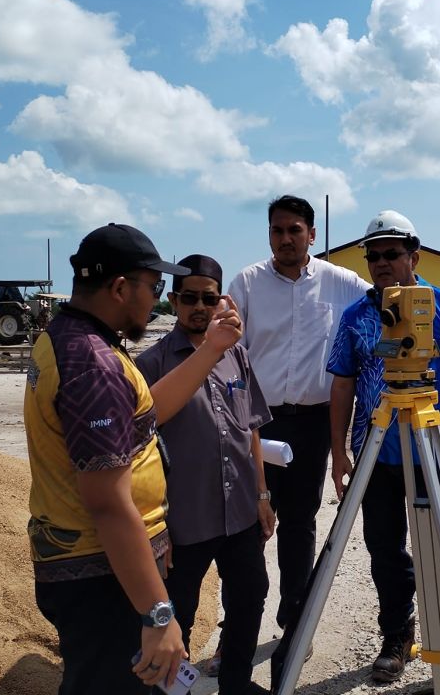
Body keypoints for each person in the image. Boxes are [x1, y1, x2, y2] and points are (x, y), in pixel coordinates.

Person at [23, 223, 243, 694]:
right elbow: (107, 501)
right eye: (155, 287)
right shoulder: (93, 367)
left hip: (100, 568)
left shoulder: (73, 339)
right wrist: (158, 614)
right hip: (103, 578)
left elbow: (149, 413)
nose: (158, 300)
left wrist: (211, 350)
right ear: (121, 288)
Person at [327, 210, 440, 694]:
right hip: (374, 453)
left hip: (427, 448)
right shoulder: (356, 316)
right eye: (373, 256)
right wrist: (338, 454)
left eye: (391, 253)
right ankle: (397, 636)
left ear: (414, 255)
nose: (381, 262)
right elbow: (342, 385)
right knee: (384, 551)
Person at [226, 195, 370, 632]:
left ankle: (294, 622)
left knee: (299, 521)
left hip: (313, 423)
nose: (285, 239)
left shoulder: (341, 283)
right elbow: (228, 352)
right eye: (277, 230)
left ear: (312, 234)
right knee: (243, 522)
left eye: (294, 230)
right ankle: (237, 630)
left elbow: (385, 304)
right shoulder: (247, 284)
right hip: (256, 422)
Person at [135, 255, 274, 695]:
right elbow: (140, 453)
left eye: (208, 298)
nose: (199, 306)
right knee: (181, 613)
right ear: (173, 300)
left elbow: (250, 425)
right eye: (189, 297)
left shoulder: (236, 355)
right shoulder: (153, 365)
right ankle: (174, 689)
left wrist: (262, 494)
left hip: (239, 514)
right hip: (184, 519)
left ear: (220, 302)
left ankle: (236, 682)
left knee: (251, 596)